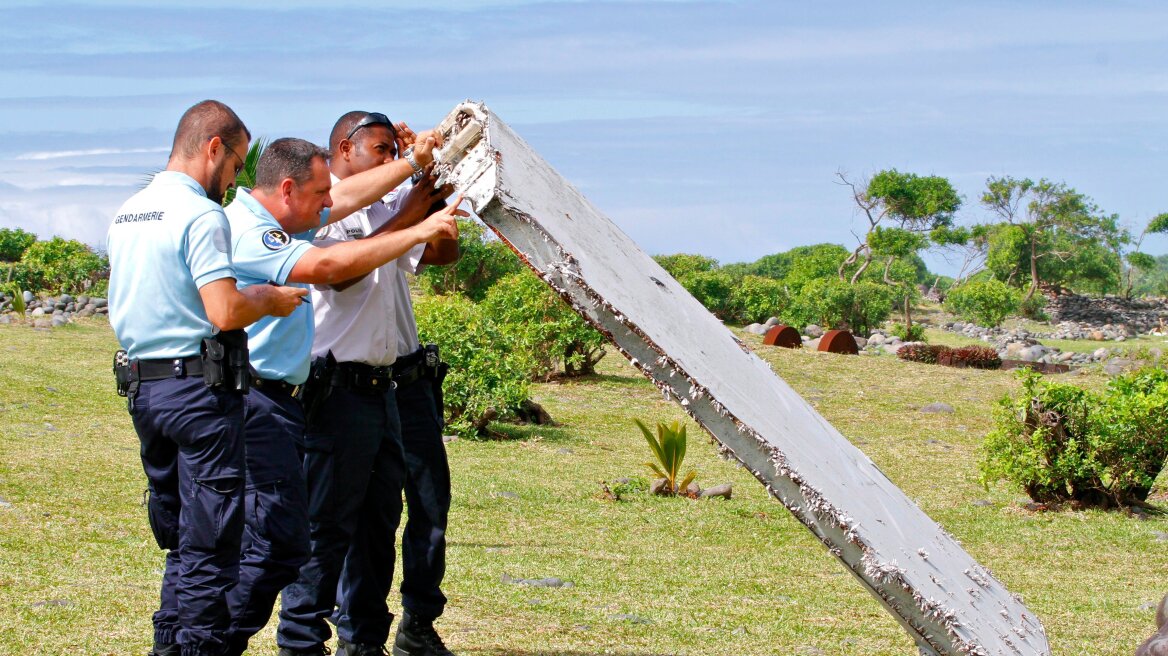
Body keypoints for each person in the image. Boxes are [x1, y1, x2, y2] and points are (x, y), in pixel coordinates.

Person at [221, 135, 462, 655]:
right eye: (379, 150)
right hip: (310, 396)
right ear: (342, 152)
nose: (330, 202)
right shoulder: (258, 230)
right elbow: (337, 271)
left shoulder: (301, 214)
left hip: (380, 391)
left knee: (377, 526)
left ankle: (363, 643)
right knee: (310, 533)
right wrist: (414, 221)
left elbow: (355, 203)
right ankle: (294, 643)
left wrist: (417, 167)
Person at [106, 99, 307, 656]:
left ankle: (167, 646)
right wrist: (265, 299)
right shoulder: (201, 214)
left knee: (181, 539)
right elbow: (222, 310)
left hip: (144, 390)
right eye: (238, 164)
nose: (235, 179)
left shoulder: (129, 211)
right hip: (199, 392)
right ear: (214, 147)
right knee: (213, 547)